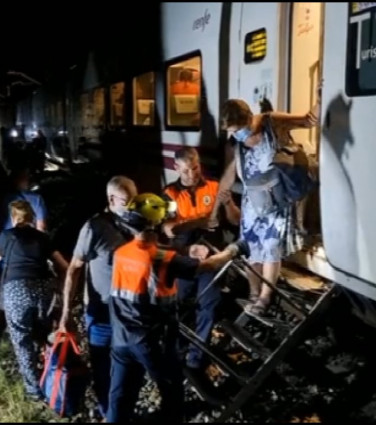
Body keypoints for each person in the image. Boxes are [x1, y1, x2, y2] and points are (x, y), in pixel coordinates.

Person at [106, 193, 249, 423]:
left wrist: (186, 251)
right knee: (171, 390)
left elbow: (149, 251)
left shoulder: (121, 253)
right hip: (152, 340)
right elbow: (209, 264)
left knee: (120, 394)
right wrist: (235, 249)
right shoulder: (162, 258)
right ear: (155, 225)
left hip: (121, 336)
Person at [213, 98, 318, 317]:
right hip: (253, 200)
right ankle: (253, 293)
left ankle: (265, 297)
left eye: (239, 129)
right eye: (231, 131)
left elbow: (309, 121)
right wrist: (216, 210)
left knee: (271, 246)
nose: (236, 134)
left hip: (278, 199)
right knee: (252, 249)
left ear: (249, 118)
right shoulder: (234, 142)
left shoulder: (272, 122)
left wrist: (319, 98)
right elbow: (229, 175)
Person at [57, 175, 138, 420]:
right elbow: (74, 269)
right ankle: (110, 413)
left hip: (131, 311)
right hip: (102, 312)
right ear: (111, 199)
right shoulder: (94, 228)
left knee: (131, 368)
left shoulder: (140, 222)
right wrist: (66, 314)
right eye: (127, 201)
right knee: (104, 370)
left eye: (135, 198)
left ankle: (123, 411)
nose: (133, 205)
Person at [161, 147, 240, 377]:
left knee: (209, 305)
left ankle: (197, 358)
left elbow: (235, 221)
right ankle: (177, 353)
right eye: (186, 170)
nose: (192, 174)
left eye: (194, 168)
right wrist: (198, 222)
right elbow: (169, 230)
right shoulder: (170, 193)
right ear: (176, 168)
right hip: (184, 258)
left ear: (199, 164)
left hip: (212, 257)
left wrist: (228, 205)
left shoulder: (215, 187)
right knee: (181, 307)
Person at [0, 200, 69, 402]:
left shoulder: (7, 236)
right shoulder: (43, 238)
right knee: (44, 334)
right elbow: (63, 265)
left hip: (16, 290)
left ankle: (33, 389)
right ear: (32, 218)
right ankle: (50, 377)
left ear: (13, 218)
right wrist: (63, 288)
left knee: (21, 339)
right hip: (43, 290)